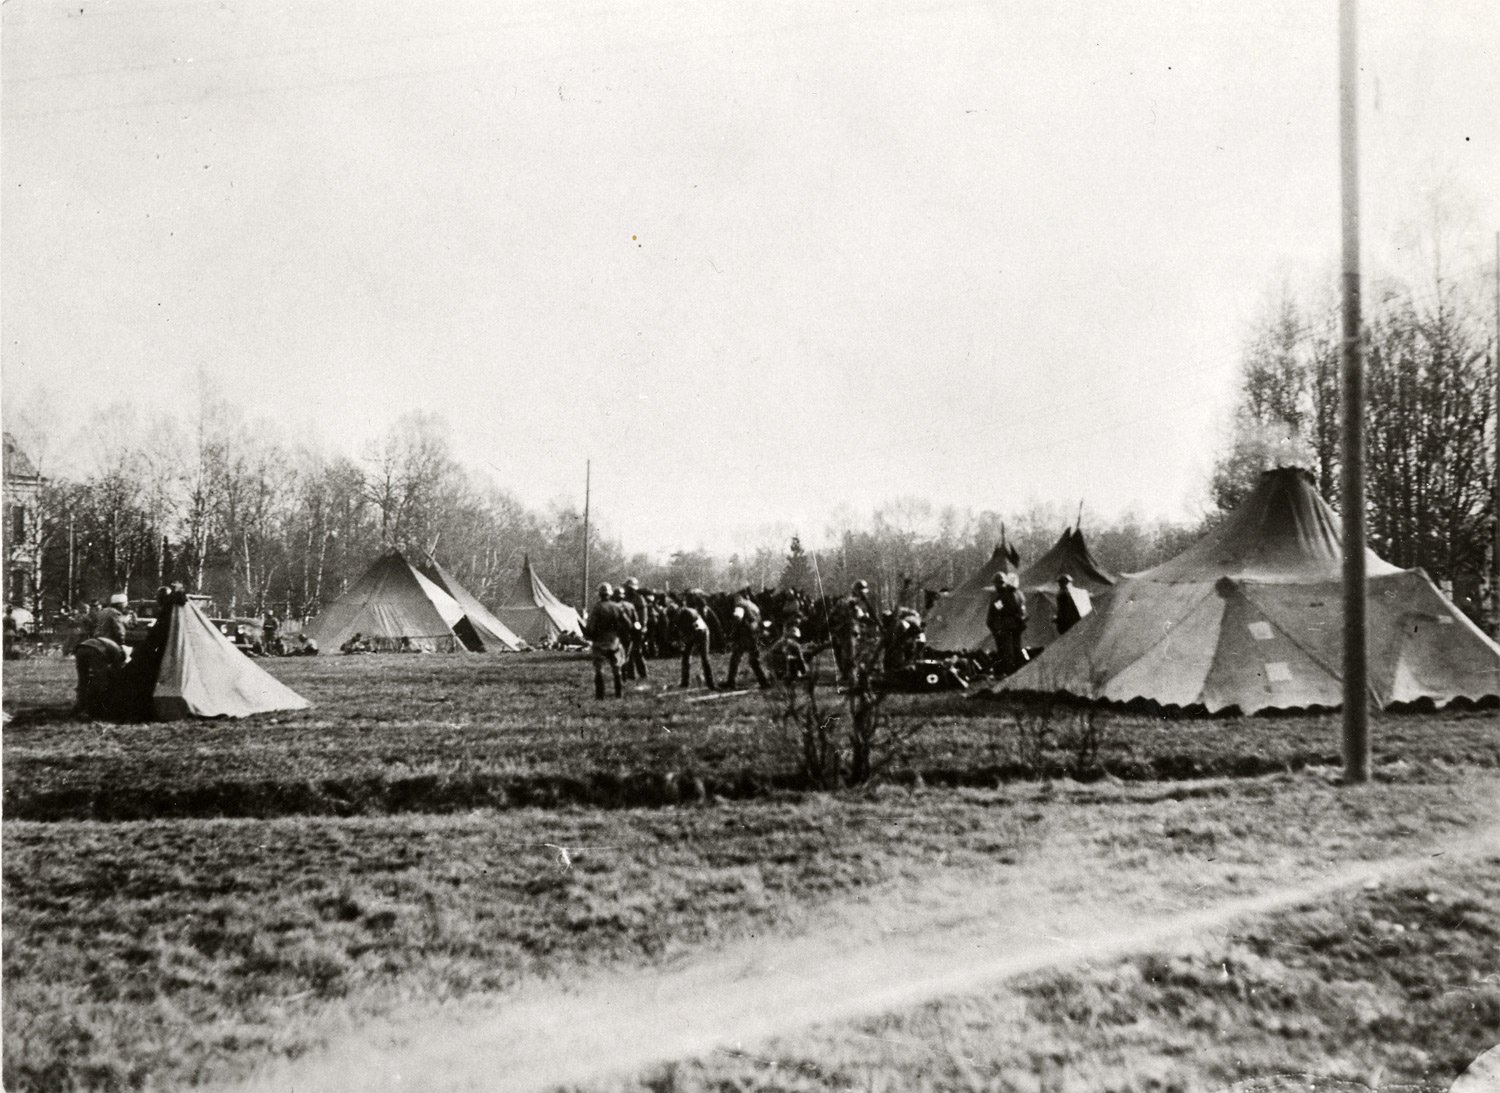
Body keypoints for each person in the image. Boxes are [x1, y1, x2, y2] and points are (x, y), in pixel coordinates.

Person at [73, 592, 132, 716]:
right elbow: (119, 632)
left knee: (84, 679)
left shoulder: (103, 611)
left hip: (86, 645)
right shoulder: (116, 613)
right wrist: (123, 641)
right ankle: (97, 709)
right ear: (121, 605)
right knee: (101, 680)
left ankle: (80, 706)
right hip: (100, 648)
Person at [585, 582, 634, 699]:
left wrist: (590, 635)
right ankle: (619, 694)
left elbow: (591, 627)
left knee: (599, 669)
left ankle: (600, 695)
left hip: (600, 641)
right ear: (610, 593)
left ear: (600, 594)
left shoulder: (597, 608)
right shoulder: (617, 607)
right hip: (614, 641)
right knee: (617, 669)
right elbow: (628, 624)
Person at [723, 586, 770, 689]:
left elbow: (737, 618)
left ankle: (731, 682)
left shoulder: (740, 605)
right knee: (754, 660)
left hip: (745, 635)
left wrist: (731, 632)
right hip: (755, 634)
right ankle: (764, 682)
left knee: (735, 658)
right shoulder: (753, 605)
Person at [672, 592, 716, 690]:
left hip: (701, 631)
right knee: (686, 656)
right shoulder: (681, 614)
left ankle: (710, 683)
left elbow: (692, 630)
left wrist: (683, 640)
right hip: (695, 631)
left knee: (704, 658)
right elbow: (679, 629)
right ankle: (685, 682)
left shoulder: (686, 614)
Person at [986, 572, 1028, 676]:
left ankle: (1010, 672)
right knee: (1016, 649)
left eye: (997, 584)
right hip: (1017, 626)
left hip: (1006, 627)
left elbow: (995, 611)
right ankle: (1018, 671)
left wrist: (994, 626)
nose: (996, 586)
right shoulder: (1018, 593)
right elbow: (1023, 610)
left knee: (1007, 651)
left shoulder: (1001, 596)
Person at [833, 580, 873, 685]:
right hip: (849, 630)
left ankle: (848, 675)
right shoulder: (852, 601)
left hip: (846, 630)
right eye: (861, 591)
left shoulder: (849, 601)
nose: (863, 594)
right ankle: (851, 677)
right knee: (850, 655)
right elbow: (859, 616)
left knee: (847, 654)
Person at [621, 577, 650, 682]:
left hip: (638, 628)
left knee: (637, 652)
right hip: (630, 628)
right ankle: (630, 674)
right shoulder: (627, 598)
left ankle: (643, 673)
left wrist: (639, 629)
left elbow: (642, 617)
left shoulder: (639, 598)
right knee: (628, 652)